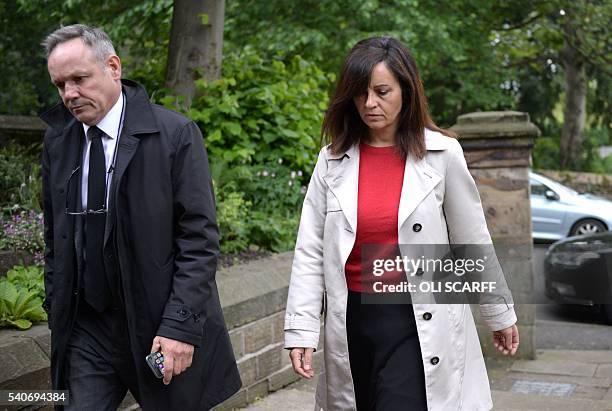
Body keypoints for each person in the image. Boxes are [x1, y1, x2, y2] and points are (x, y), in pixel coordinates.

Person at [284, 37, 520, 410]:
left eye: (381, 91)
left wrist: (498, 312)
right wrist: (301, 329)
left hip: (418, 319)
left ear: (406, 91)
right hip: (351, 322)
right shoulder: (331, 162)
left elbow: (470, 238)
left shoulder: (442, 154)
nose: (370, 104)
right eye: (360, 94)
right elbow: (310, 250)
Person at [40, 24, 241, 410]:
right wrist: (56, 306)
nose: (69, 94)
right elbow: (56, 236)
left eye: (79, 79)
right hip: (86, 330)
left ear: (113, 67)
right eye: (60, 84)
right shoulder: (58, 142)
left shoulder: (175, 135)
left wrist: (180, 326)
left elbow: (198, 241)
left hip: (158, 327)